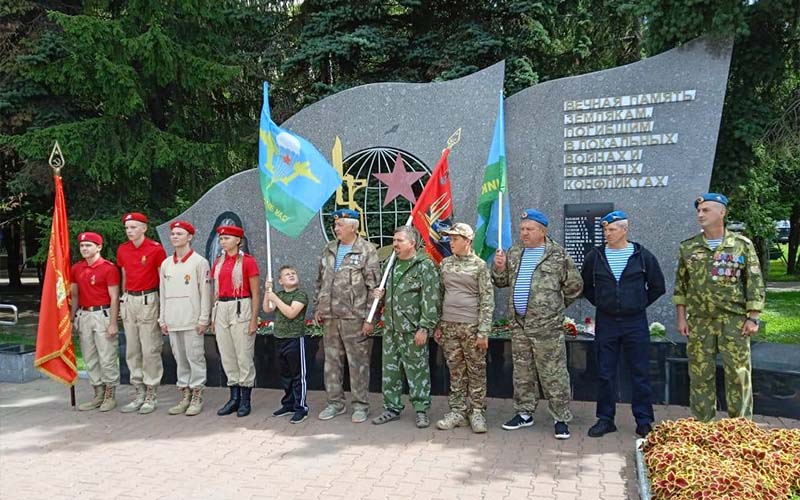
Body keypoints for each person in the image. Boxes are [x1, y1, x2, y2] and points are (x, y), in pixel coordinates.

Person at [673, 193, 765, 422]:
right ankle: (703, 426)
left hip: (734, 321)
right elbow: (681, 286)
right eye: (698, 211)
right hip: (700, 322)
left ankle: (740, 427)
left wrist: (753, 318)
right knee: (700, 375)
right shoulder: (689, 247)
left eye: (706, 210)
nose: (700, 215)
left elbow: (754, 282)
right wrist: (682, 318)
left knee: (738, 375)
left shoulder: (741, 245)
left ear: (721, 212)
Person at [492, 209, 583, 439]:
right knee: (522, 373)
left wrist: (553, 309)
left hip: (547, 327)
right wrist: (499, 267)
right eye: (522, 229)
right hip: (519, 326)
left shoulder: (557, 255)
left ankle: (560, 417)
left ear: (542, 231)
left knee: (553, 373)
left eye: (529, 229)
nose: (524, 233)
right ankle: (524, 413)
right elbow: (501, 282)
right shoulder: (514, 252)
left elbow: (574, 286)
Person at [581, 211, 666, 438]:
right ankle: (606, 419)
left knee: (640, 371)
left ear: (624, 230)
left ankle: (644, 420)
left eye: (611, 230)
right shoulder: (596, 256)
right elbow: (586, 285)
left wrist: (636, 304)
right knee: (605, 372)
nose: (607, 234)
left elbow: (657, 286)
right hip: (607, 320)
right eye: (605, 230)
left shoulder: (641, 255)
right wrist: (602, 302)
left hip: (635, 321)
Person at [314, 209, 380, 423]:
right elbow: (320, 280)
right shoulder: (329, 249)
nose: (336, 229)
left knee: (358, 363)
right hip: (330, 317)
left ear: (353, 227)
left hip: (355, 317)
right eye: (335, 225)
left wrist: (370, 318)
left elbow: (374, 287)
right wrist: (319, 306)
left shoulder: (367, 250)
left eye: (340, 225)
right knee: (331, 362)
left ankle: (360, 405)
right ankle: (335, 403)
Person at [371, 226, 441, 428]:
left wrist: (424, 327)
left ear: (412, 243)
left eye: (399, 240)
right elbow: (384, 293)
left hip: (412, 330)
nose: (395, 244)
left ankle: (421, 410)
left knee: (417, 371)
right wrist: (379, 297)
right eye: (394, 240)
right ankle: (391, 407)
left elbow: (431, 297)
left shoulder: (424, 265)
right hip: (391, 328)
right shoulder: (390, 264)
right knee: (390, 371)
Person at [434, 223, 494, 433]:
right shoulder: (445, 264)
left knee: (476, 370)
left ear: (467, 241)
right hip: (450, 326)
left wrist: (483, 331)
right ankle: (458, 411)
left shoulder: (479, 266)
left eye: (455, 239)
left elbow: (487, 299)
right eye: (450, 239)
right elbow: (440, 295)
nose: (451, 243)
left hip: (471, 326)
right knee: (456, 371)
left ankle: (477, 411)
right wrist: (438, 323)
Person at [158, 220, 211, 416]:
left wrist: (203, 318)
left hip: (192, 319)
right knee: (180, 359)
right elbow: (162, 293)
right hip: (173, 320)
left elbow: (205, 292)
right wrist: (162, 319)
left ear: (189, 237)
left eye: (179, 234)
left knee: (194, 357)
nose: (175, 237)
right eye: (173, 234)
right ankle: (185, 395)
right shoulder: (166, 264)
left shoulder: (199, 262)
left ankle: (197, 395)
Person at [117, 212, 167, 414]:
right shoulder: (123, 249)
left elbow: (162, 279)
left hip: (149, 299)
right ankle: (138, 391)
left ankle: (151, 393)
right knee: (132, 349)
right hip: (129, 300)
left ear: (144, 228)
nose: (130, 231)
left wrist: (162, 308)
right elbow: (124, 275)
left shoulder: (155, 249)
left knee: (150, 348)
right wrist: (123, 299)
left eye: (134, 227)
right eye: (127, 228)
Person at [211, 225, 261, 417]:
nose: (223, 241)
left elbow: (256, 292)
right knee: (227, 354)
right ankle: (234, 397)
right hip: (222, 307)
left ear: (238, 240)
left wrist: (253, 319)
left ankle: (245, 399)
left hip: (241, 306)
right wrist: (213, 316)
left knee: (243, 353)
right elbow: (215, 289)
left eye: (227, 238)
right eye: (221, 239)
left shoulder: (248, 262)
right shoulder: (218, 262)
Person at [71, 232, 121, 412]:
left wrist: (113, 322)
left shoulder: (108, 268)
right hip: (84, 315)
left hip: (103, 314)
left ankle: (110, 395)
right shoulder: (77, 268)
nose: (84, 248)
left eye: (89, 245)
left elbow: (114, 297)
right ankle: (97, 393)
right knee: (89, 357)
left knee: (106, 356)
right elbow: (75, 295)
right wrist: (71, 318)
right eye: (82, 245)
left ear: (99, 247)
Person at [263, 265, 310, 424]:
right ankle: (288, 404)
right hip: (279, 338)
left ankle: (301, 408)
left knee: (298, 376)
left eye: (293, 273)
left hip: (295, 339)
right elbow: (268, 309)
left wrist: (275, 298)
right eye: (286, 274)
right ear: (280, 281)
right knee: (286, 375)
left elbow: (291, 313)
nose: (291, 275)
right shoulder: (280, 294)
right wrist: (268, 292)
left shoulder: (300, 295)